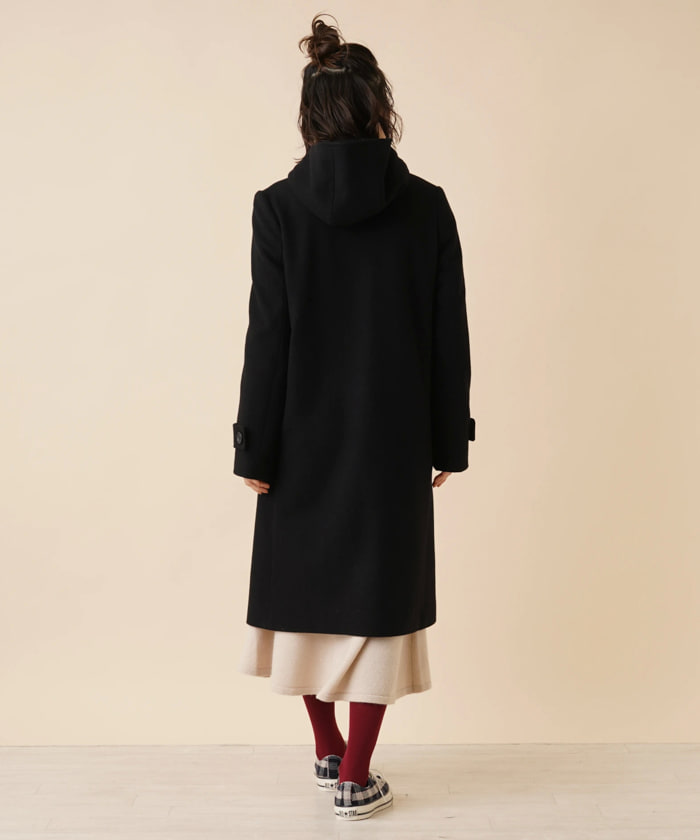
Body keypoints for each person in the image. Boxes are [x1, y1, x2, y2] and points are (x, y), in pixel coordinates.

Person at [233, 13, 475, 821]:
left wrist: (254, 449)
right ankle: (356, 774)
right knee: (379, 605)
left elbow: (268, 336)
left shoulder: (276, 207)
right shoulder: (428, 207)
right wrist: (448, 441)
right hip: (390, 443)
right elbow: (448, 337)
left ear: (308, 115)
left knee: (302, 598)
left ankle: (328, 749)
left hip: (297, 441)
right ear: (381, 109)